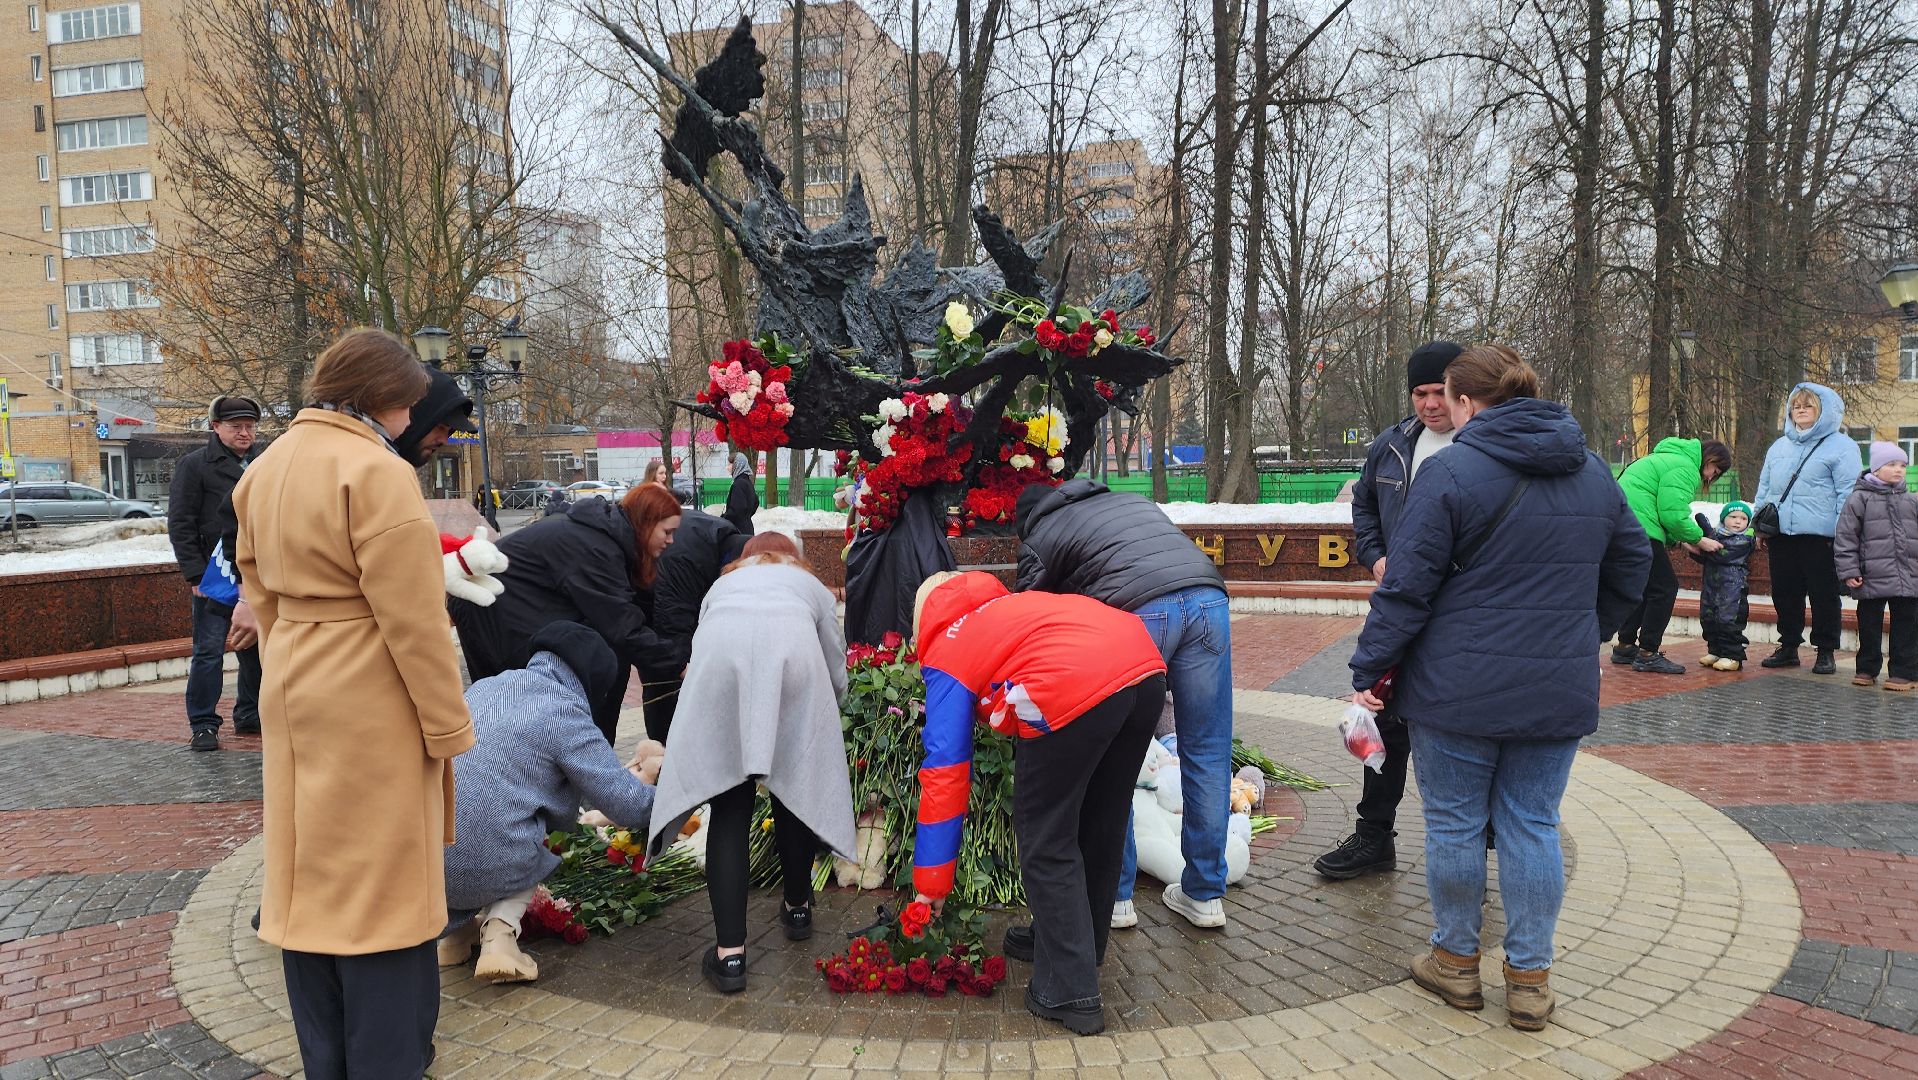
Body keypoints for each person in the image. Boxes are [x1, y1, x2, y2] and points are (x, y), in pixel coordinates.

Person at [1347, 344, 1649, 1033]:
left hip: (1458, 687)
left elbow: (1406, 587)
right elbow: (1635, 564)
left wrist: (1369, 669)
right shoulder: (1594, 470)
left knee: (1453, 824)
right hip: (1556, 685)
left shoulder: (1451, 471)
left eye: (1446, 400)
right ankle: (1530, 981)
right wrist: (1581, 630)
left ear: (1464, 402)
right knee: (1532, 825)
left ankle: (1455, 964)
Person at [232, 328, 475, 1078]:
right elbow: (416, 621)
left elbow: (257, 589)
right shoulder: (375, 471)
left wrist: (293, 657)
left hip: (297, 682)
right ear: (379, 398)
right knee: (384, 896)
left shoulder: (266, 466)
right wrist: (448, 726)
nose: (409, 419)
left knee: (310, 885)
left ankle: (327, 1061)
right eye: (405, 405)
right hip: (372, 693)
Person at [911, 572, 1167, 1037]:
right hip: (1143, 666)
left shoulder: (946, 645)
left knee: (1045, 836)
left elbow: (945, 769)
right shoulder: (1007, 610)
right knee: (1101, 821)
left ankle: (1071, 990)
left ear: (924, 617)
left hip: (1071, 682)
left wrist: (930, 884)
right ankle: (1076, 948)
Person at [1015, 478, 1234, 929]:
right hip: (1209, 599)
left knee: (1117, 754)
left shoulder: (1042, 535)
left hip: (1138, 610)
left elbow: (1029, 616)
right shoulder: (1128, 501)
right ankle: (1205, 894)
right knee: (1208, 749)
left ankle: (1115, 898)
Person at [645, 532, 853, 993]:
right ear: (793, 557)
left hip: (724, 677)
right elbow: (835, 659)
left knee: (730, 807)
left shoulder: (721, 587)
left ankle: (730, 956)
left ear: (746, 557)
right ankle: (798, 909)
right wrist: (828, 706)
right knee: (792, 788)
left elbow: (702, 647)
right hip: (793, 671)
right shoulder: (811, 588)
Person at [439, 622, 657, 984]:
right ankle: (499, 938)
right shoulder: (564, 711)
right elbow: (624, 803)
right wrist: (678, 799)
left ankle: (452, 939)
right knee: (529, 840)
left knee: (478, 809)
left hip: (428, 861)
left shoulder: (486, 686)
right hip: (487, 859)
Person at [1315, 340, 1460, 880]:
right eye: (1419, 393)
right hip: (1399, 608)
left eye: (1438, 391)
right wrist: (1374, 556)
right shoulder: (1393, 444)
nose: (1428, 404)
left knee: (1459, 732)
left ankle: (1476, 853)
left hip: (1458, 615)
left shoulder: (1481, 443)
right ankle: (1374, 837)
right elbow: (1365, 506)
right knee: (1383, 719)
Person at [450, 484, 686, 745]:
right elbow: (621, 626)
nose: (671, 540)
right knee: (517, 702)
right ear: (645, 524)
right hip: (491, 608)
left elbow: (631, 611)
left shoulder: (607, 539)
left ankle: (570, 761)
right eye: (667, 532)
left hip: (507, 602)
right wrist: (679, 665)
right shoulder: (597, 548)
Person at [167, 395, 263, 751]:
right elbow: (181, 522)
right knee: (208, 651)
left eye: (250, 426)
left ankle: (250, 713)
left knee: (253, 649)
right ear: (215, 427)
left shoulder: (262, 462)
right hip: (214, 575)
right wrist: (193, 575)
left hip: (252, 574)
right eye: (236, 426)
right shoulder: (195, 465)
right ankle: (204, 724)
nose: (245, 433)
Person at [1753, 383, 1856, 674]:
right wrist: (1758, 526)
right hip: (1782, 535)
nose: (1800, 410)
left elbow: (1847, 494)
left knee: (1823, 595)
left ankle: (1826, 651)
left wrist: (1841, 534)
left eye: (1808, 405)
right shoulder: (1779, 446)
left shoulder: (1842, 447)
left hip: (1820, 537)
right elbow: (1765, 489)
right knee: (1785, 592)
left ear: (1823, 411)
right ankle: (1788, 646)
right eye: (1796, 405)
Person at [1611, 437, 1733, 674]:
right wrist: (1699, 539)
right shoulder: (1685, 467)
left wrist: (1681, 541)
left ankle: (1625, 645)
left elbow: (1659, 506)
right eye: (1714, 470)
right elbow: (1672, 515)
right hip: (1639, 526)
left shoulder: (1667, 457)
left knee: (1646, 586)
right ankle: (1648, 653)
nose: (1710, 477)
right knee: (1665, 587)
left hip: (1623, 523)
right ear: (1709, 458)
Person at [635, 506, 751, 743]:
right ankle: (664, 757)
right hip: (648, 621)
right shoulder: (688, 556)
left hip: (657, 607)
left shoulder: (720, 537)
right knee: (666, 695)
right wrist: (682, 667)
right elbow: (672, 621)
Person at [1835, 443, 1918, 690]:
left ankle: (1903, 672)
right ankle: (1866, 669)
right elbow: (1846, 536)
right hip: (1871, 576)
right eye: (1891, 465)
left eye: (1903, 465)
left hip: (1908, 577)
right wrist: (1850, 571)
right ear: (1877, 468)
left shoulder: (1911, 500)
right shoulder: (1859, 499)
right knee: (1869, 623)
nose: (1898, 470)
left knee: (1907, 624)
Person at [1691, 502, 1756, 671]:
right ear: (1723, 519)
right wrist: (1695, 545)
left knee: (1728, 620)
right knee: (1709, 617)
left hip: (1732, 589)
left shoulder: (1745, 538)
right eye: (1733, 517)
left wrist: (1705, 536)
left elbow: (1721, 554)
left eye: (1743, 518)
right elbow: (1705, 556)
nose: (1737, 521)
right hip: (1712, 586)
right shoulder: (1716, 534)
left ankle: (1733, 655)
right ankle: (1715, 650)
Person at [392, 365, 477, 468]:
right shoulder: (376, 466)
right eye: (440, 427)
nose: (444, 440)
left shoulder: (386, 465)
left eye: (450, 431)